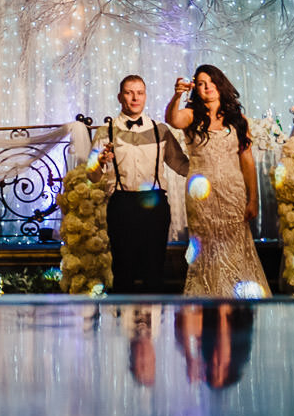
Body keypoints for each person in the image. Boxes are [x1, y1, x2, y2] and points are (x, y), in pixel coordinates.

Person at [165, 64, 272, 297]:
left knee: (234, 248)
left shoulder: (237, 119)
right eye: (202, 84)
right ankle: (211, 303)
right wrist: (177, 95)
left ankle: (235, 302)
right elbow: (173, 119)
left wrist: (253, 199)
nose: (207, 88)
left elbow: (248, 161)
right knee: (207, 248)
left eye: (211, 82)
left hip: (232, 192)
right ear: (196, 88)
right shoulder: (191, 115)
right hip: (202, 194)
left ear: (220, 84)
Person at [88, 74, 188, 293]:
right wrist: (99, 163)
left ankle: (154, 325)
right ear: (119, 97)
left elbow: (182, 166)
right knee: (123, 270)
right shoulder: (106, 131)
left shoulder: (160, 129)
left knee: (154, 270)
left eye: (139, 93)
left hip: (155, 205)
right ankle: (122, 324)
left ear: (145, 97)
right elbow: (92, 176)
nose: (135, 98)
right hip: (122, 204)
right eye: (129, 92)